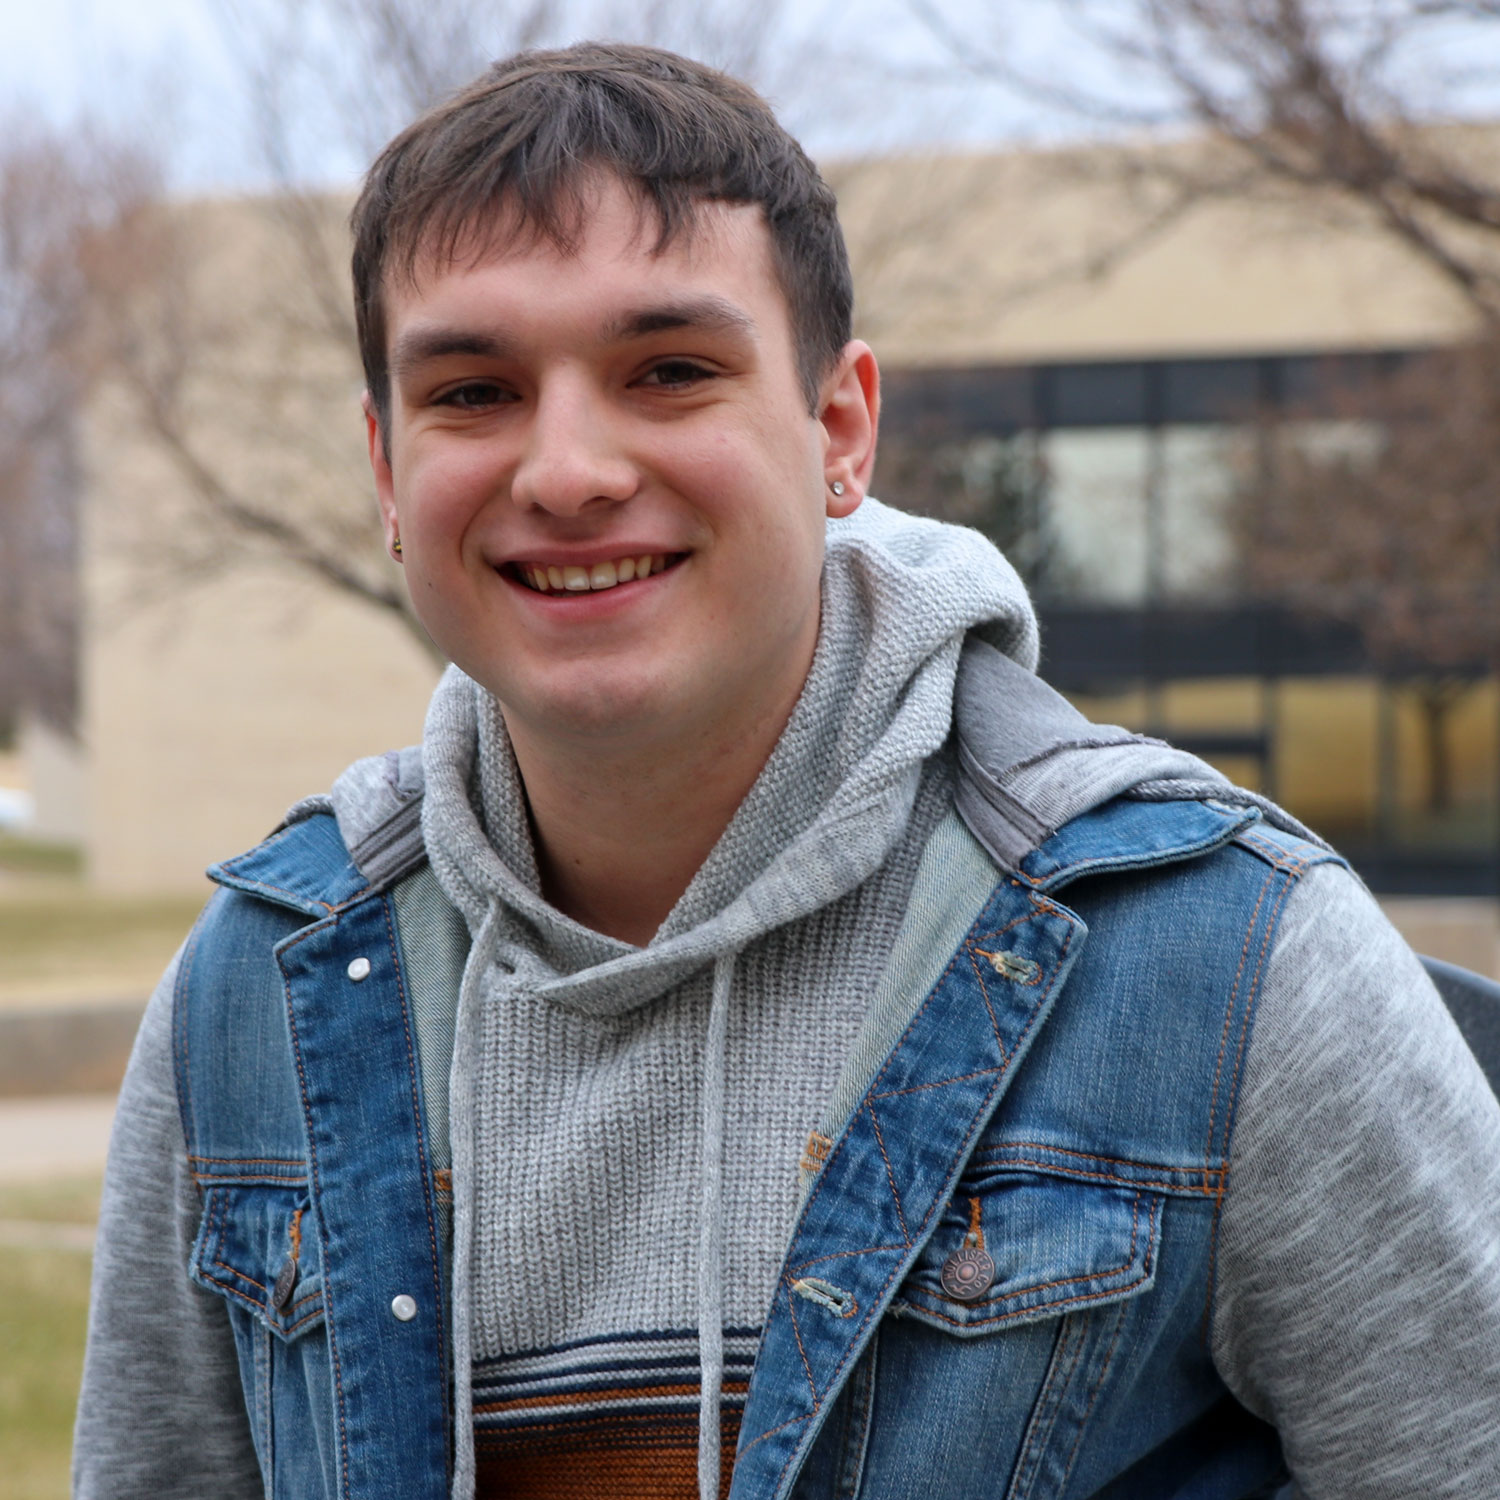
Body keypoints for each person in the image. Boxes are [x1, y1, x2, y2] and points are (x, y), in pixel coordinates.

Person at [73, 41, 1500, 1500]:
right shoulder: (257, 999)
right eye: (474, 391)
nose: (565, 469)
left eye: (670, 370)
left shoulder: (1231, 963)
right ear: (384, 472)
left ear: (838, 430)